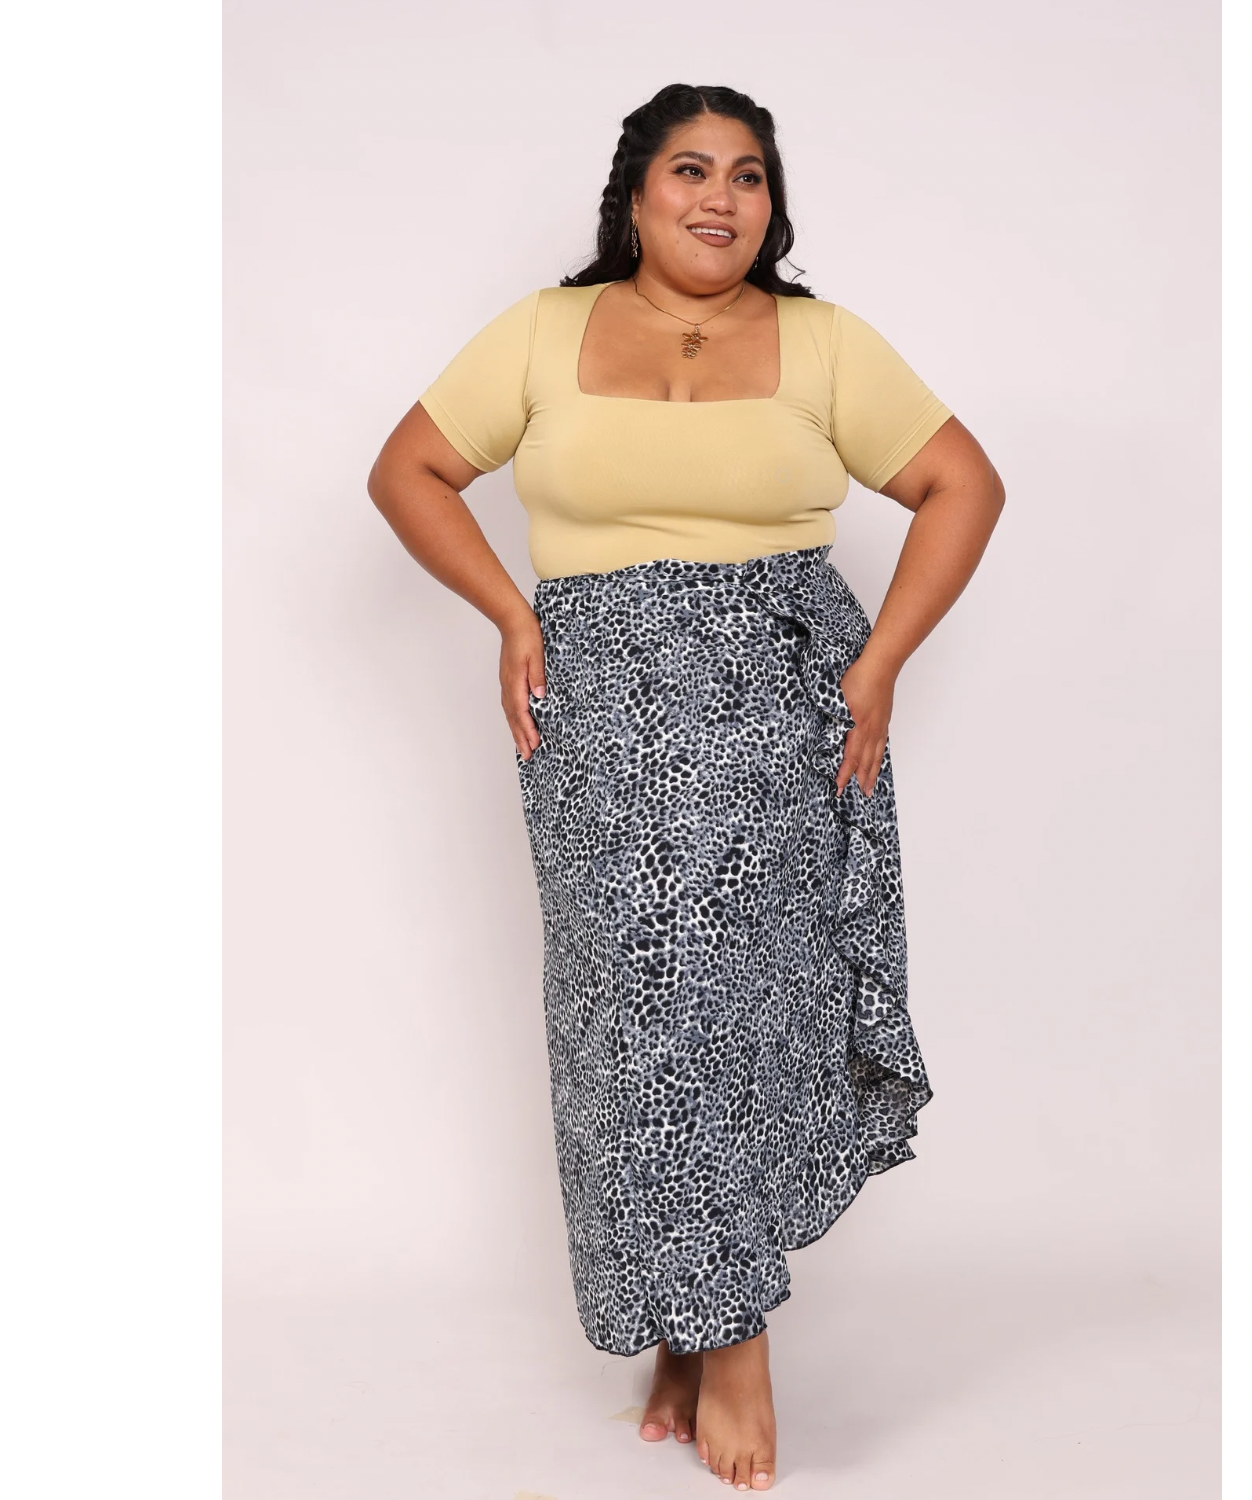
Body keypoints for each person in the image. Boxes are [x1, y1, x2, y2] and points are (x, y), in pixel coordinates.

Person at [367, 82, 1005, 1493]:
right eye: (692, 170)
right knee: (628, 1015)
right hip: (597, 712)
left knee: (728, 1004)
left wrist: (881, 665)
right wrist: (510, 612)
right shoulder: (543, 331)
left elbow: (965, 484)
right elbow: (408, 469)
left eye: (750, 175)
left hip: (775, 707)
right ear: (636, 194)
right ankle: (683, 1319)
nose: (722, 197)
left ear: (773, 204)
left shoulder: (823, 342)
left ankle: (733, 1336)